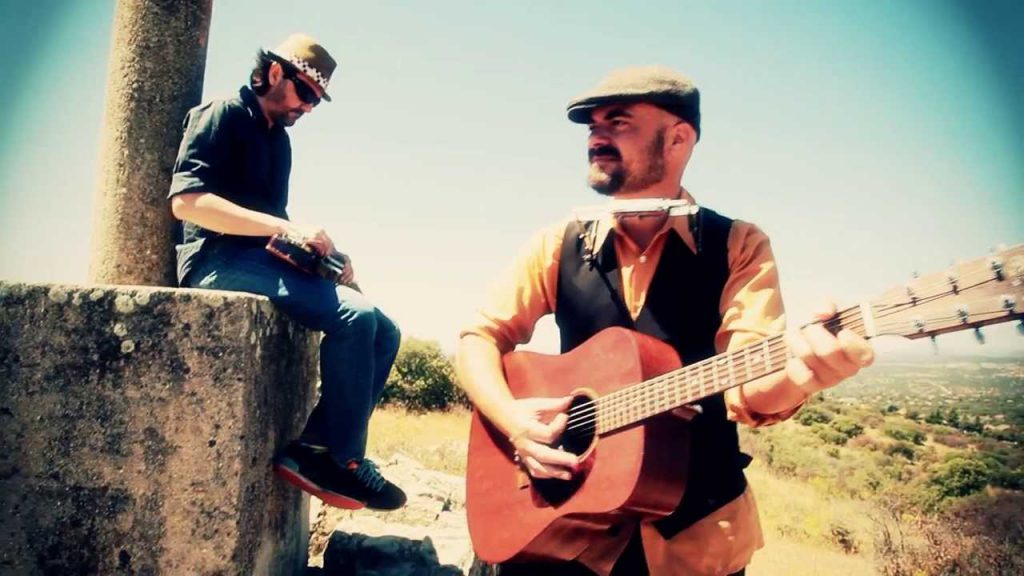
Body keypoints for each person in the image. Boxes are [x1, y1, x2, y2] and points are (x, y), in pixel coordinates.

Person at [455, 66, 875, 575]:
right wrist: (514, 423)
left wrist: (802, 375)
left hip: (692, 541)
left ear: (678, 139)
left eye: (618, 122)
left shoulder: (738, 245)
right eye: (592, 126)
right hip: (562, 529)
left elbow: (750, 386)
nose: (596, 137)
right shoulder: (558, 242)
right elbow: (480, 338)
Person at [167, 33, 406, 511]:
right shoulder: (221, 114)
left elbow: (273, 229)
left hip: (259, 261)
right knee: (355, 317)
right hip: (214, 261)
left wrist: (326, 260)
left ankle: (315, 448)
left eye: (317, 100)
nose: (309, 107)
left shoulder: (280, 143)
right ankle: (341, 459)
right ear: (275, 72)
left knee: (384, 329)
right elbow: (188, 203)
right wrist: (286, 227)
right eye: (307, 93)